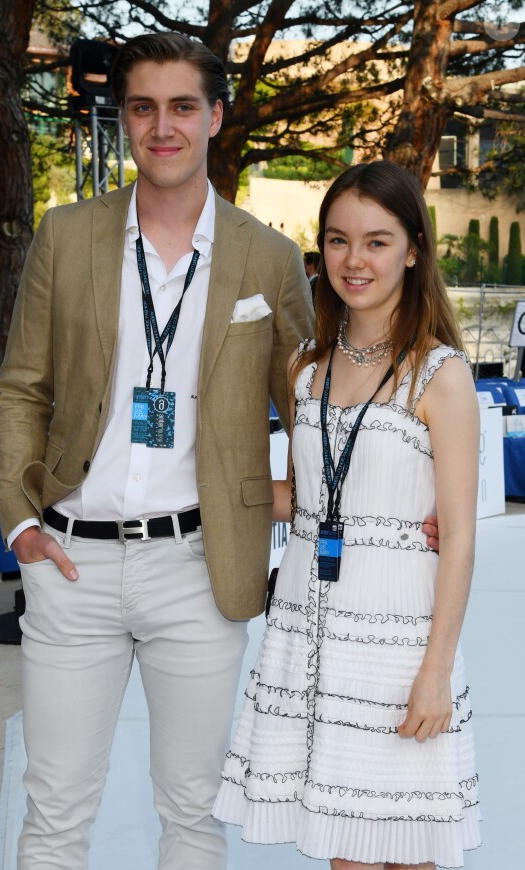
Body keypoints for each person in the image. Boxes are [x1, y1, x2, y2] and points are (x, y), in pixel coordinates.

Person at [0, 32, 315, 870]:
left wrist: (303, 502)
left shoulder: (270, 257)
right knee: (55, 812)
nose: (161, 127)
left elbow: (312, 411)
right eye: (143, 108)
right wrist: (22, 525)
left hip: (200, 569)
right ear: (125, 119)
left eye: (181, 107)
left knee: (194, 813)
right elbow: (23, 387)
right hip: (70, 566)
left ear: (214, 116)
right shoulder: (65, 237)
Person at [213, 160, 481, 869]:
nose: (354, 260)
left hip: (398, 646)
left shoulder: (441, 375)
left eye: (376, 241)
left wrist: (436, 672)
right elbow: (308, 501)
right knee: (346, 855)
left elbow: (457, 540)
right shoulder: (306, 367)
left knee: (406, 851)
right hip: (310, 633)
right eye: (337, 240)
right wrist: (197, 485)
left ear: (414, 248)